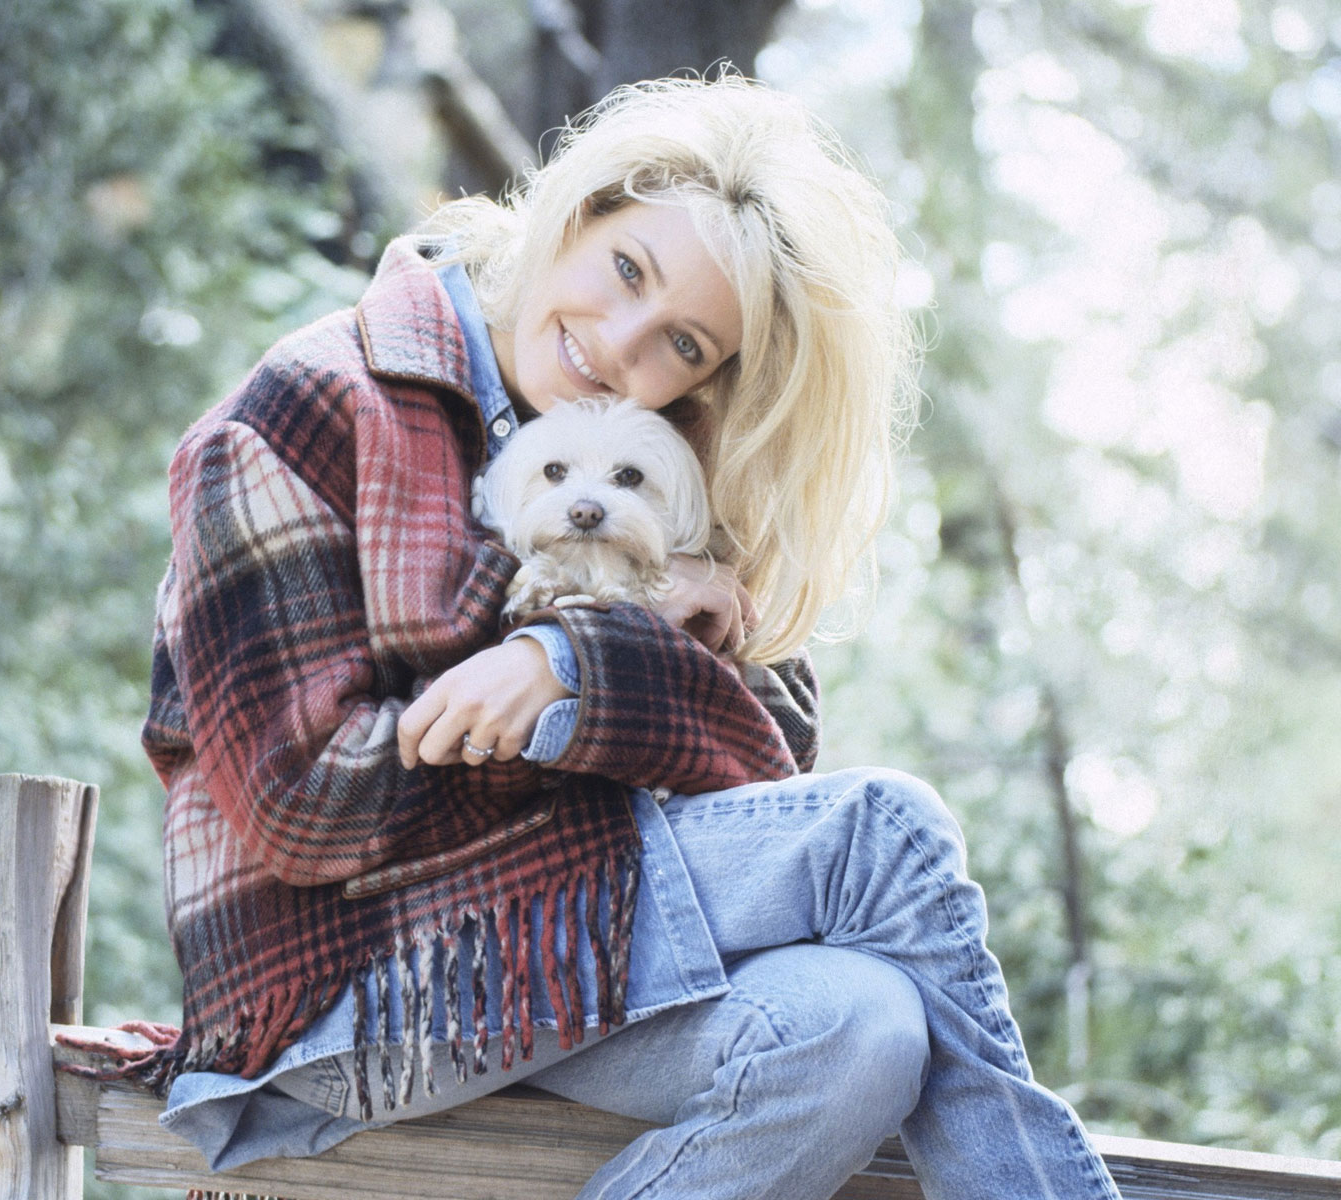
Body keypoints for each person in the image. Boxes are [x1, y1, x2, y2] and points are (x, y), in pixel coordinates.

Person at [128, 73, 1124, 1199]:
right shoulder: (308, 408)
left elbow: (772, 766)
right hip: (346, 984)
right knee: (882, 830)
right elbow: (302, 806)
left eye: (682, 344)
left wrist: (585, 660)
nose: (619, 345)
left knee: (861, 1026)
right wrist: (580, 673)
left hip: (558, 951)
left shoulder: (662, 452)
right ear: (579, 212)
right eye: (627, 270)